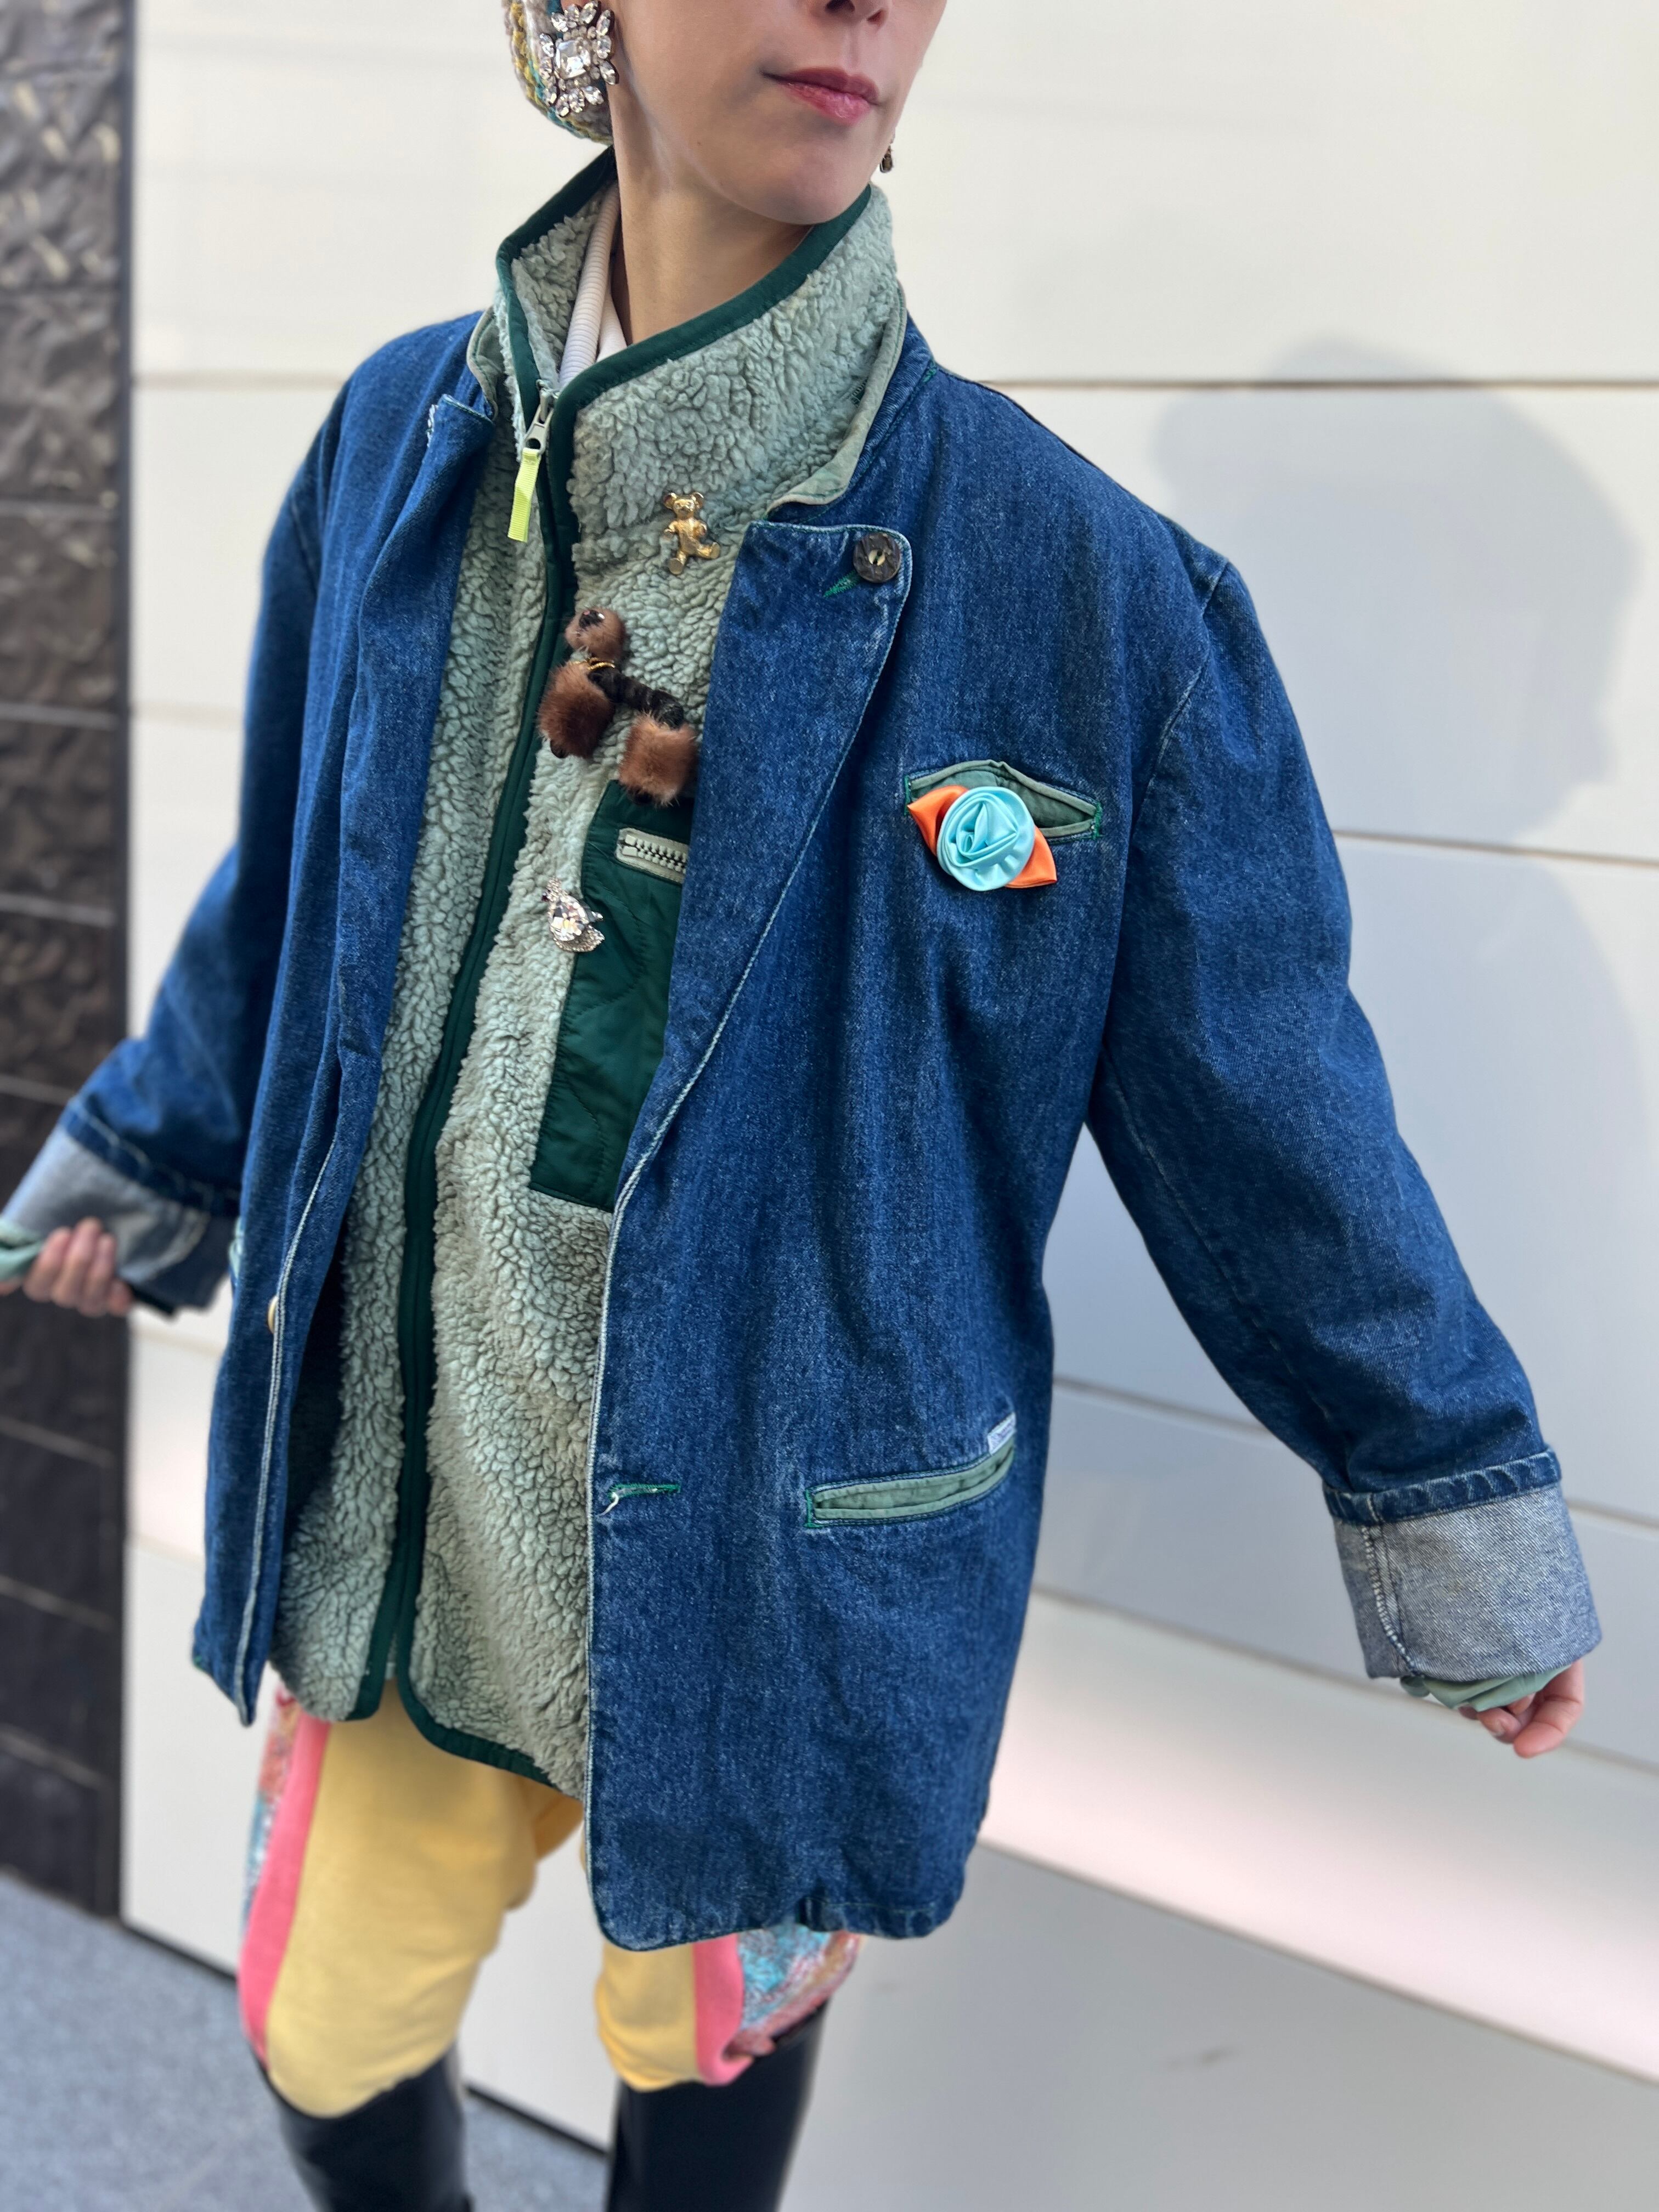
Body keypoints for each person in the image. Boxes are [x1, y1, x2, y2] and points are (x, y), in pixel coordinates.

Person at [0, 0, 1599, 2203]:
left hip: (781, 1562)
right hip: (411, 1500)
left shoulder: (1080, 590)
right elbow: (294, 876)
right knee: (320, 2031)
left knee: (708, 2065)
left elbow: (1267, 1109)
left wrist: (1439, 1483)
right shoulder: (399, 443)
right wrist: (163, 1150)